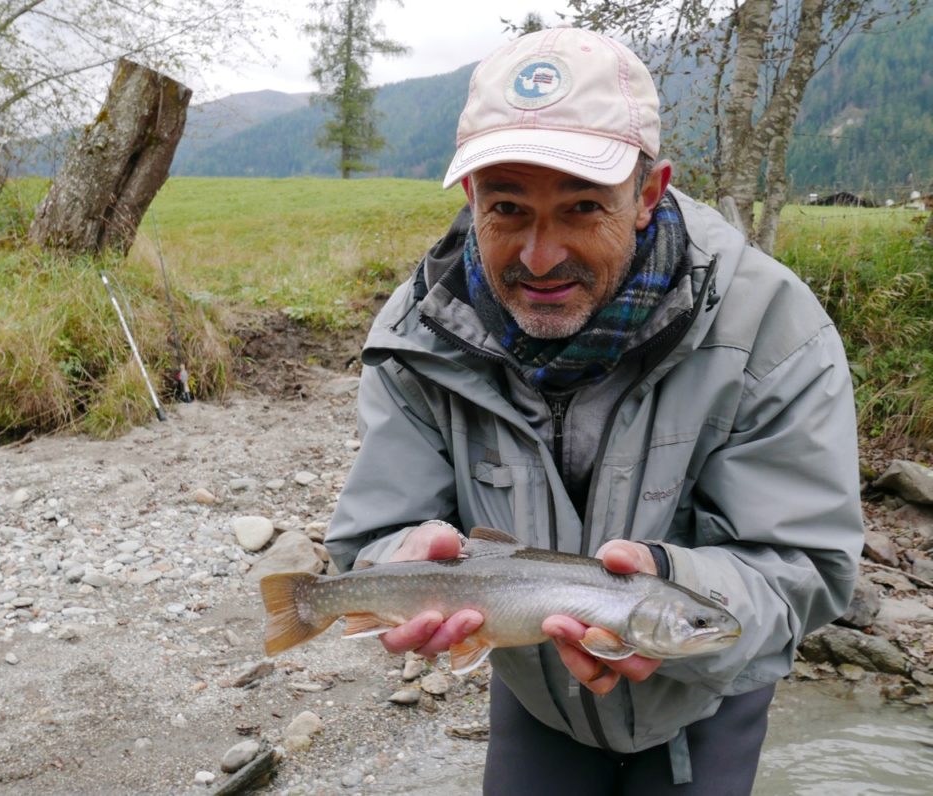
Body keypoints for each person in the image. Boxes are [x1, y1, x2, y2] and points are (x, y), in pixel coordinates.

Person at [325, 25, 862, 795]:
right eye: (508, 208)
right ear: (471, 196)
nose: (541, 257)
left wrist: (670, 582)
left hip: (704, 694)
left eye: (581, 207)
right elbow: (371, 535)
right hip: (536, 698)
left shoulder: (772, 329)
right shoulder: (419, 334)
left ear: (647, 194)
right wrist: (399, 562)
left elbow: (803, 566)